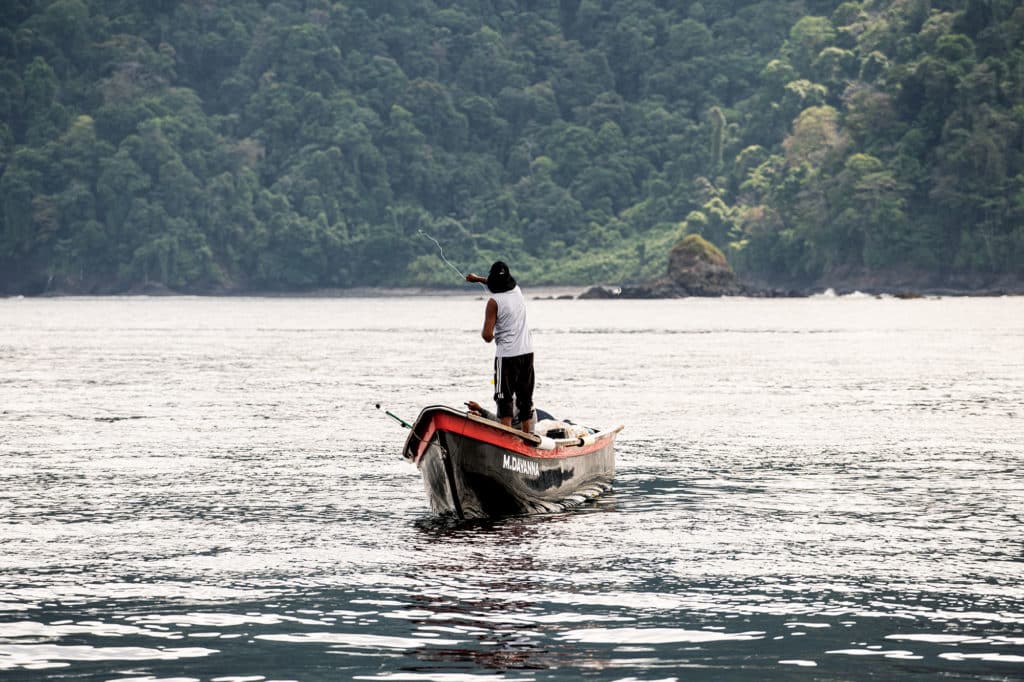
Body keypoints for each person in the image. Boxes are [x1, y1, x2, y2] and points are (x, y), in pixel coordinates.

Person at [465, 261, 534, 434]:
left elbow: (487, 336)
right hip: (527, 352)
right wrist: (477, 279)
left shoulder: (493, 302)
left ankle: (506, 438)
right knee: (525, 397)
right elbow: (495, 282)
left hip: (507, 357)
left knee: (504, 398)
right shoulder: (517, 290)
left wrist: (494, 332)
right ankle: (528, 435)